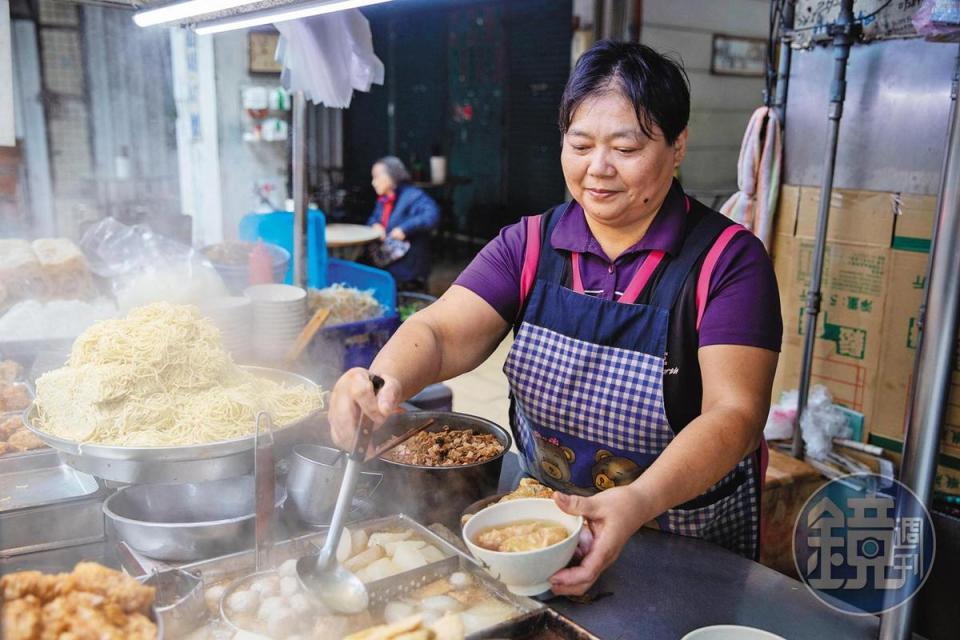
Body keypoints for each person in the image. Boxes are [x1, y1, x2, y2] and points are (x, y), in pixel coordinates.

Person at [332, 41, 781, 596]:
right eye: (580, 144)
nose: (599, 169)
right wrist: (382, 382)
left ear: (678, 145)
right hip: (545, 529)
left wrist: (638, 500)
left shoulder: (728, 261)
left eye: (626, 147)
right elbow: (439, 332)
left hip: (685, 541)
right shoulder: (530, 244)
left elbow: (735, 414)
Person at [367, 156, 440, 291]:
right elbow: (373, 218)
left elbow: (432, 214)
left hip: (408, 267)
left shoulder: (413, 195)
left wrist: (405, 228)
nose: (373, 182)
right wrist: (375, 225)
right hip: (387, 262)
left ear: (391, 176)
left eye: (376, 177)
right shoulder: (383, 200)